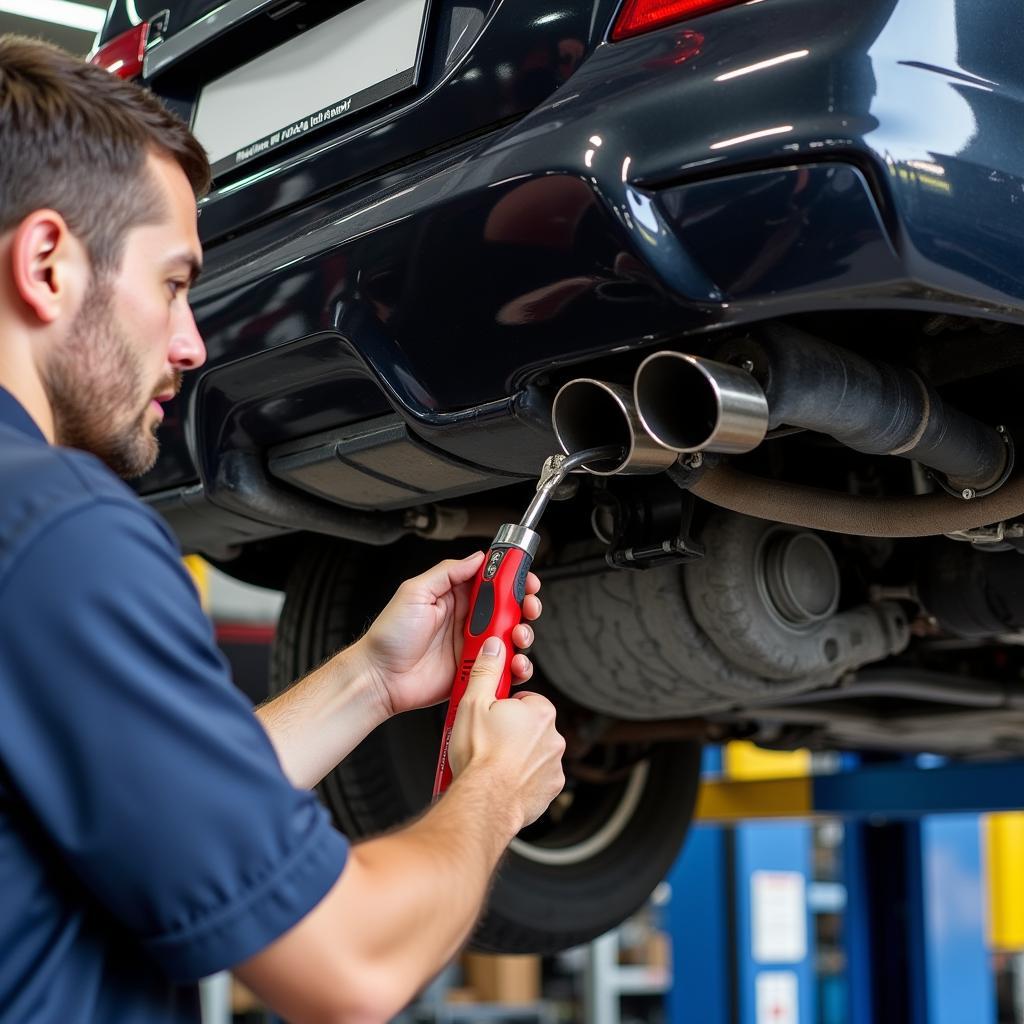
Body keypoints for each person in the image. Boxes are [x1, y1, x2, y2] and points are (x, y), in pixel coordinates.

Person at [0, 35, 566, 1023]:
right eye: (174, 284)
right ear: (48, 263)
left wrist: (370, 679)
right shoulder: (58, 530)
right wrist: (495, 788)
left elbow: (156, 799)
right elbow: (347, 964)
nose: (190, 342)